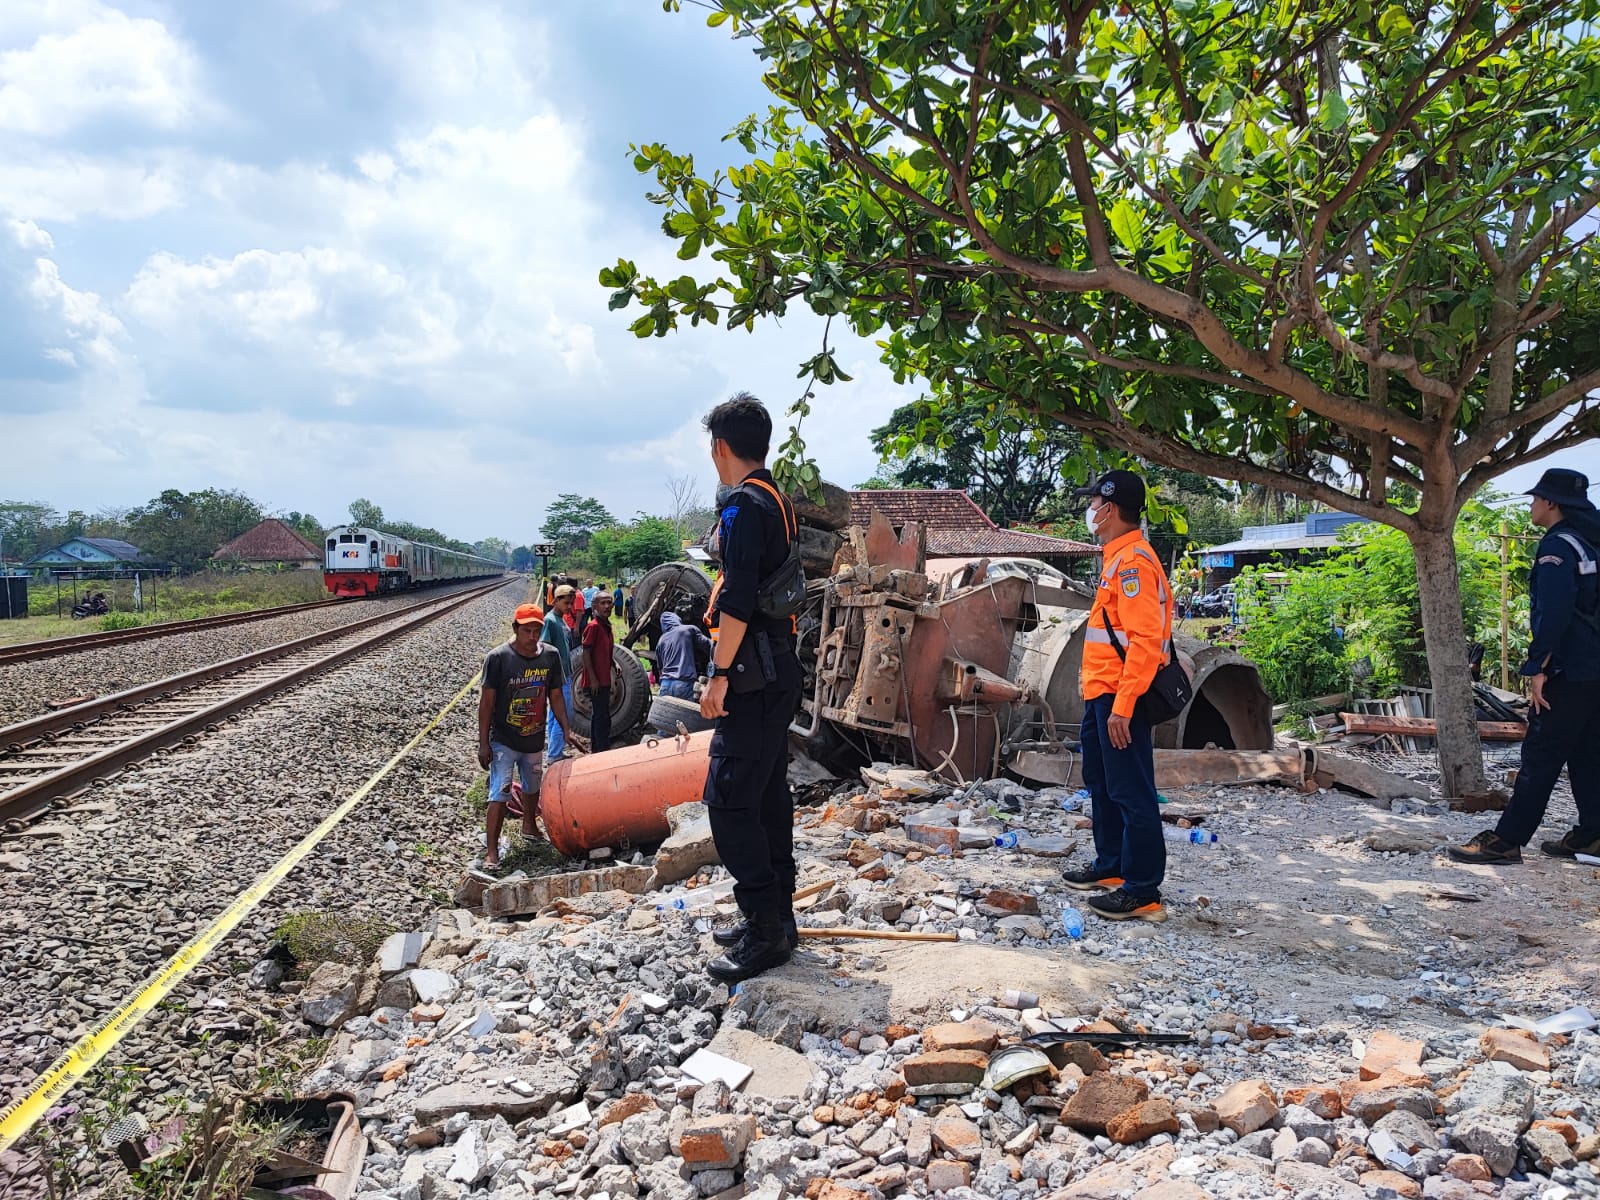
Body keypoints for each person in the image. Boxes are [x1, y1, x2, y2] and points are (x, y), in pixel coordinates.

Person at [698, 393, 803, 983]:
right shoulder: (778, 500)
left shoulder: (741, 505)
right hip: (777, 667)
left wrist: (718, 676)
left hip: (750, 674)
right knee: (767, 796)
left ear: (720, 447)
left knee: (731, 799)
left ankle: (765, 928)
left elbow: (735, 600)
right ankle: (777, 920)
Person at [1450, 468, 1600, 864]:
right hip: (1595, 672)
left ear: (1552, 503)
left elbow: (1554, 612)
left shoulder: (1559, 547)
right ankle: (1591, 837)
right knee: (1587, 753)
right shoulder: (1593, 543)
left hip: (1568, 670)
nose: (1531, 504)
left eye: (1536, 499)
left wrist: (1538, 667)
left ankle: (1507, 840)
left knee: (1540, 756)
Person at [1061, 470, 1175, 923]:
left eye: (1093, 503)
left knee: (1132, 791)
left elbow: (1145, 643)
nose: (1090, 510)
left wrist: (1123, 709)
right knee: (1102, 783)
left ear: (1108, 509)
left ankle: (1143, 889)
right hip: (1101, 695)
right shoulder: (1117, 558)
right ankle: (1110, 866)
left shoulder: (1133, 565)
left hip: (1119, 700)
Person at [477, 603, 569, 869]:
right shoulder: (498, 658)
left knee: (532, 786)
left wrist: (566, 728)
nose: (531, 637)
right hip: (504, 739)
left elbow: (555, 696)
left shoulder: (550, 657)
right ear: (516, 629)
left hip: (533, 738)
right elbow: (487, 703)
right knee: (501, 790)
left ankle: (529, 826)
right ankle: (491, 851)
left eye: (536, 631)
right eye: (526, 630)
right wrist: (484, 743)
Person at [543, 586, 578, 760]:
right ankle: (555, 754)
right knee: (564, 714)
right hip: (558, 676)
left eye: (571, 603)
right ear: (555, 600)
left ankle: (553, 751)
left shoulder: (561, 619)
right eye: (566, 603)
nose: (569, 606)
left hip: (565, 673)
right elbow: (544, 646)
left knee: (554, 714)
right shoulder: (550, 620)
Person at [579, 591, 616, 752]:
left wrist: (614, 664)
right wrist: (593, 679)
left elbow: (605, 650)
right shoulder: (593, 627)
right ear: (594, 607)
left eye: (609, 603)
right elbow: (586, 652)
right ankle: (602, 751)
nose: (607, 606)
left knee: (599, 716)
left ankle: (596, 749)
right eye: (603, 603)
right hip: (597, 681)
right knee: (602, 719)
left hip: (604, 678)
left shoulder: (606, 626)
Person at [657, 610, 712, 700]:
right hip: (683, 683)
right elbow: (709, 646)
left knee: (664, 713)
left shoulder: (661, 640)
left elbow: (660, 668)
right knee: (687, 713)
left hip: (665, 684)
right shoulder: (689, 629)